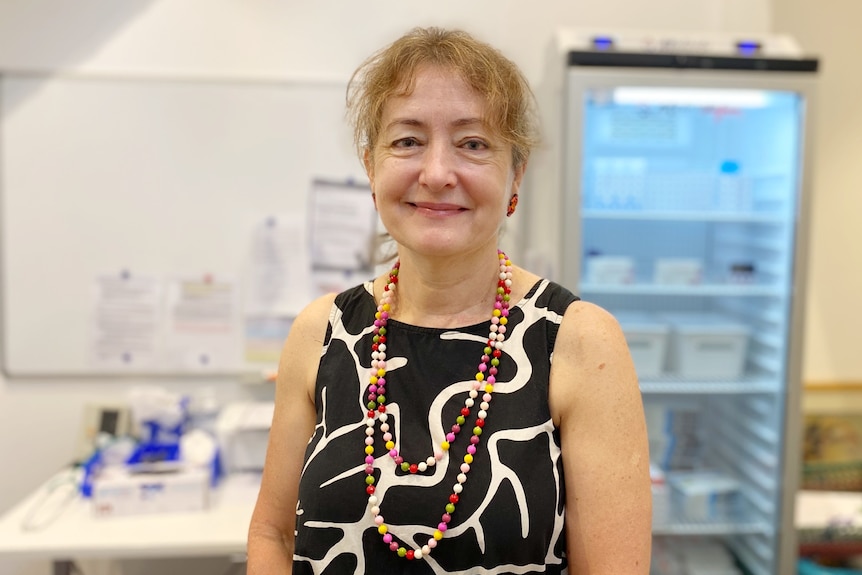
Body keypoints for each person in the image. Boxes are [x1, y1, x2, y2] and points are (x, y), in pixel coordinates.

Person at [247, 26, 652, 574]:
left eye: (473, 144)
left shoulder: (575, 340)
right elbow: (273, 534)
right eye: (408, 140)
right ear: (371, 167)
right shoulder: (321, 333)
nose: (437, 173)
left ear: (516, 175)